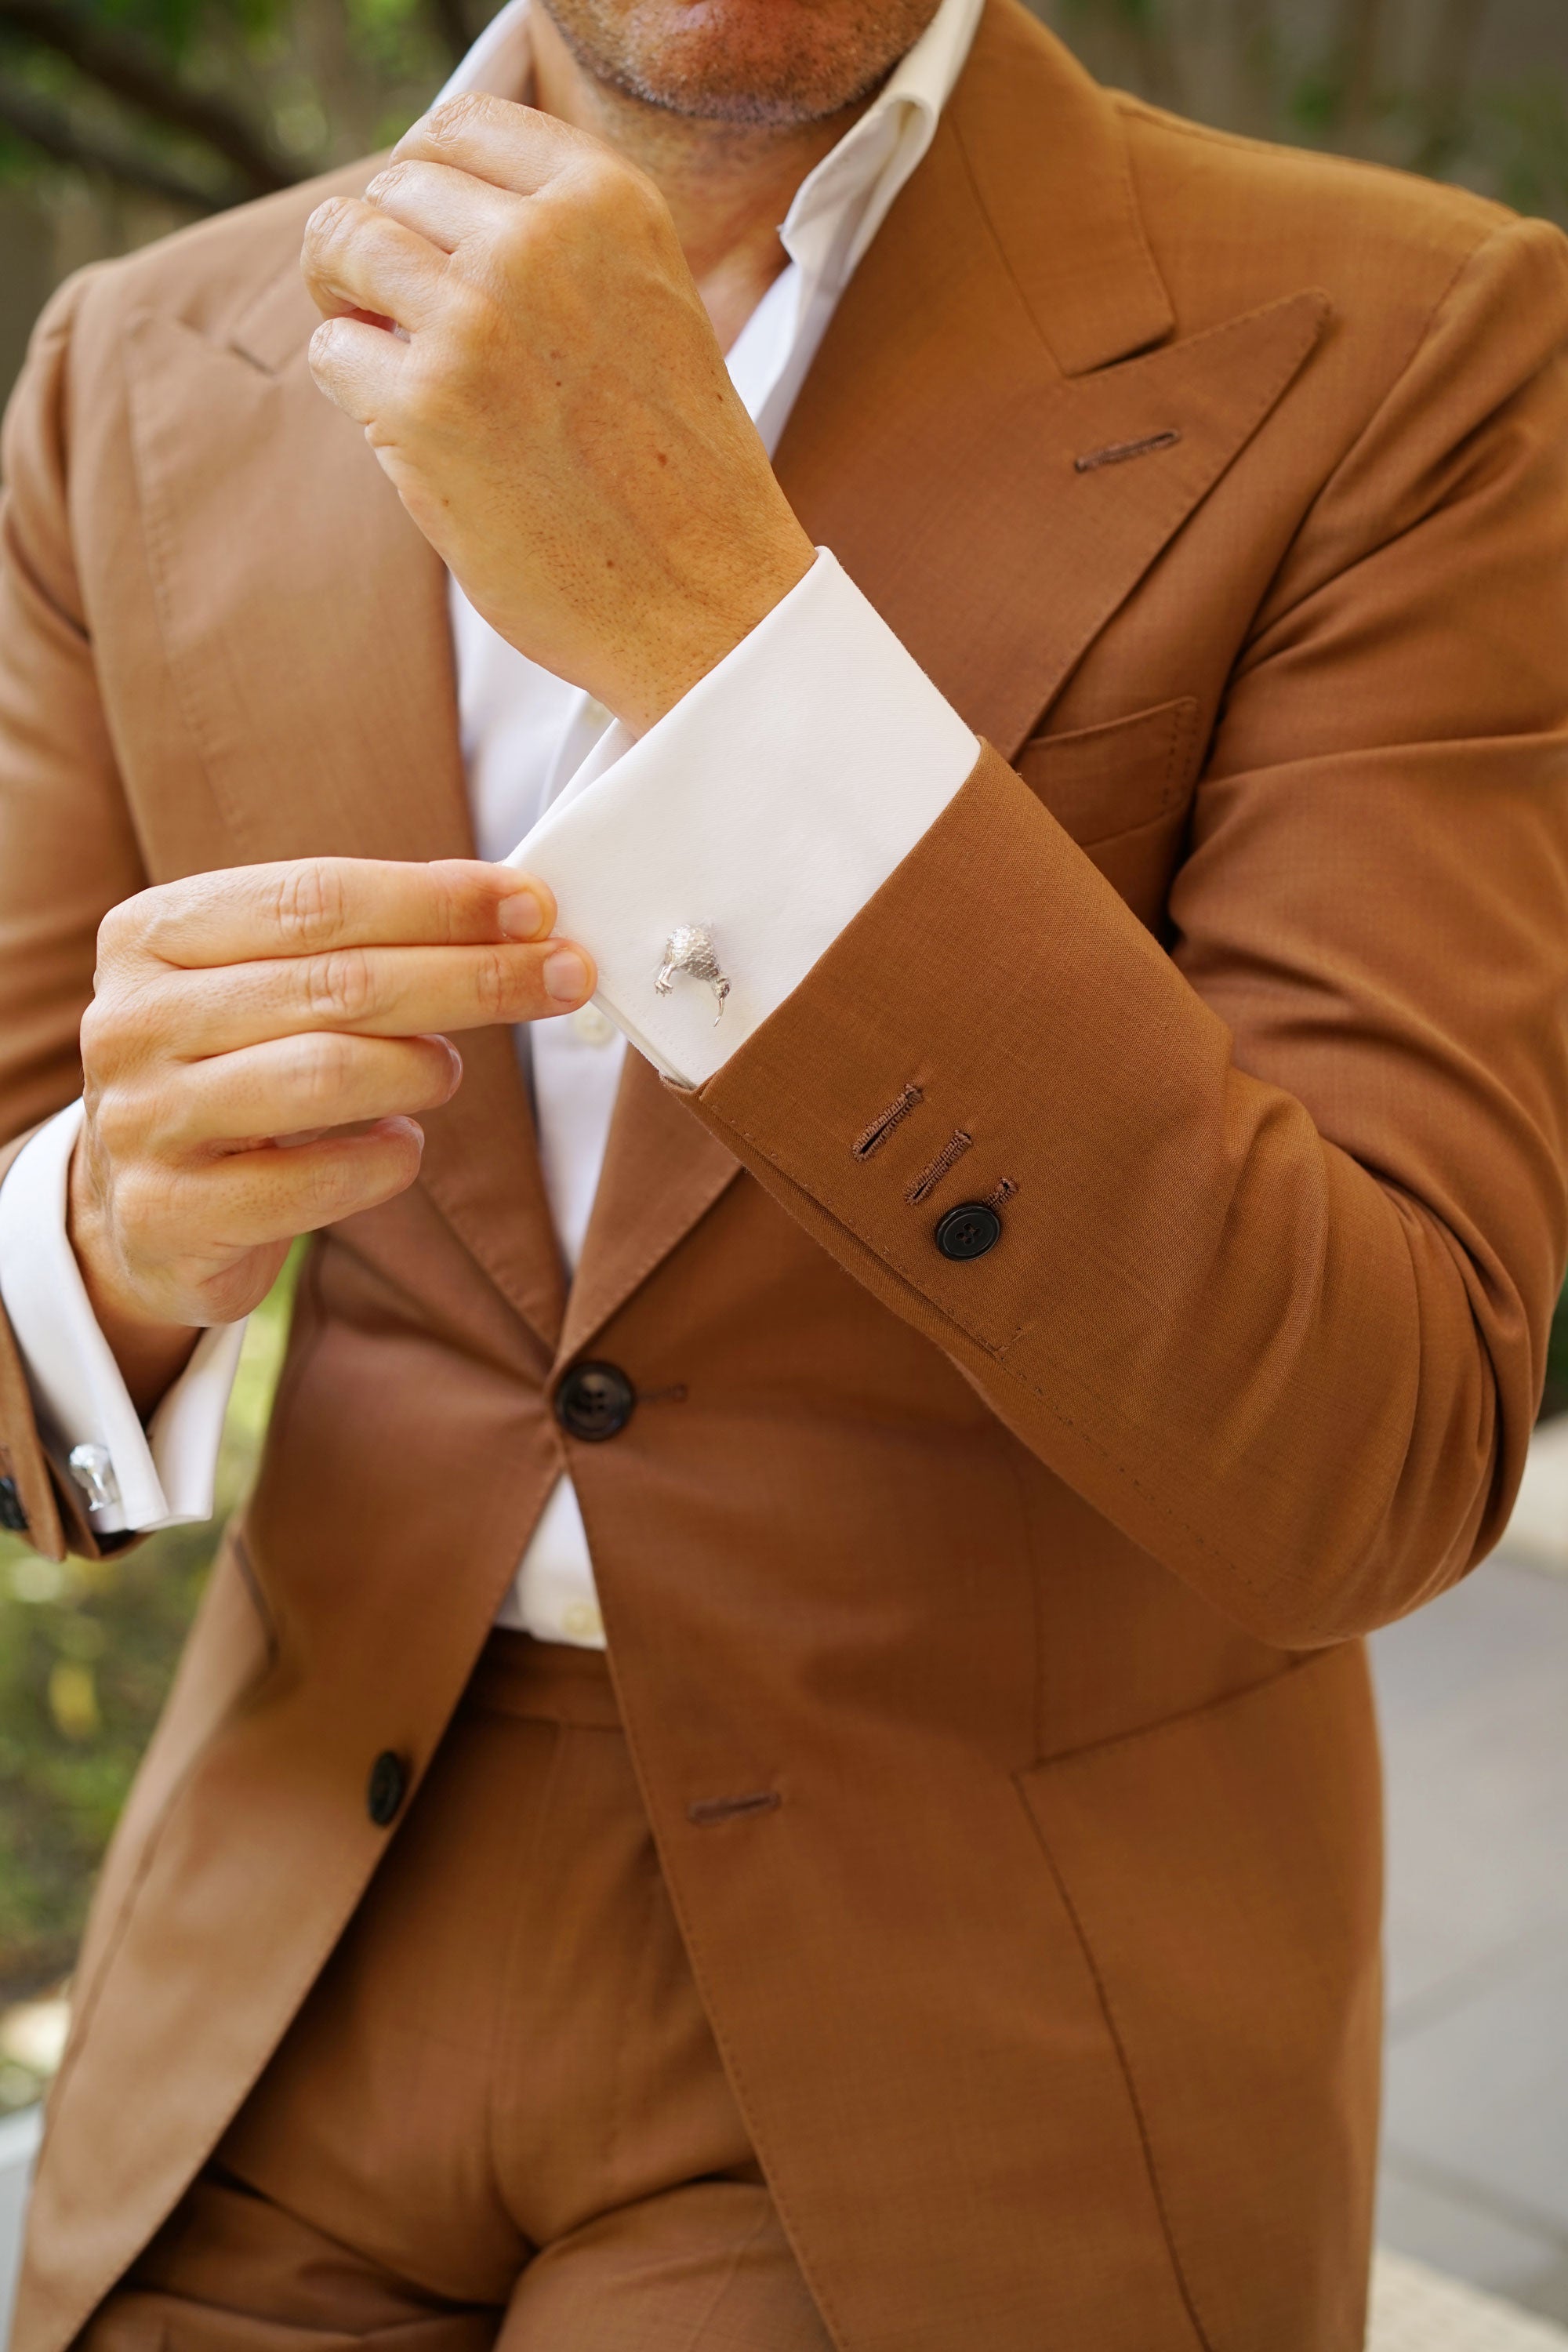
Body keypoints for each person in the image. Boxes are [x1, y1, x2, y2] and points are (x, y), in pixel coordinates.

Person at [2, 0, 1567, 2340]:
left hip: (991, 1988)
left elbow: (1382, 1448)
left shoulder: (1428, 341)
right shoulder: (129, 360)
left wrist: (722, 635)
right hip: (281, 1938)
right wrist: (119, 1243)